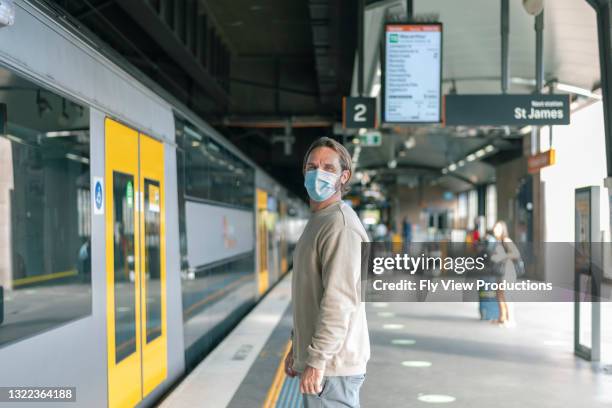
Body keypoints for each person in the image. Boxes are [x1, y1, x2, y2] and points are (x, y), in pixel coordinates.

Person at [285, 137, 370, 407]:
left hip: (334, 368)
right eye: (312, 166)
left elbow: (340, 301)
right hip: (327, 365)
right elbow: (310, 293)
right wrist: (296, 347)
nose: (317, 173)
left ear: (344, 177)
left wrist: (318, 359)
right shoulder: (320, 221)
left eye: (328, 168)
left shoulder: (340, 226)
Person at [490, 220, 520, 327]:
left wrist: (501, 257)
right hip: (500, 272)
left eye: (498, 228)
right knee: (500, 295)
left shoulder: (506, 240)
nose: (495, 230)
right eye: (495, 227)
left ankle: (511, 320)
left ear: (503, 229)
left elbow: (516, 253)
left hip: (508, 272)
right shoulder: (496, 241)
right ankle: (502, 318)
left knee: (507, 295)